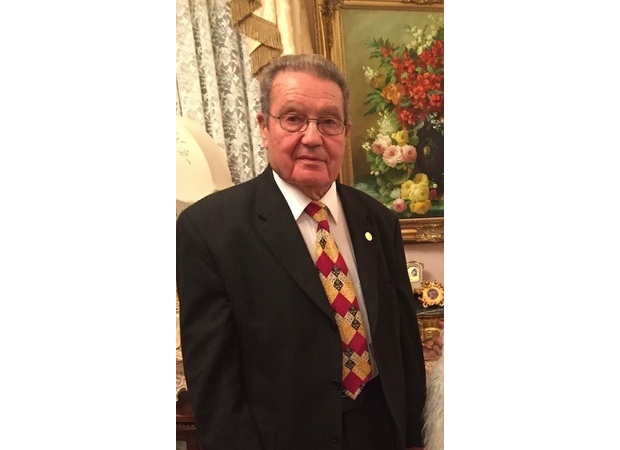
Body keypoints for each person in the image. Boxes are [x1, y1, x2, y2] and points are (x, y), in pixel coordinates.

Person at [176, 53, 427, 450]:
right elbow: (215, 387)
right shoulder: (210, 230)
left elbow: (404, 342)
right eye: (293, 118)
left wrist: (412, 437)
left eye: (328, 121)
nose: (312, 137)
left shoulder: (378, 221)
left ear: (345, 131)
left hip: (380, 430)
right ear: (264, 127)